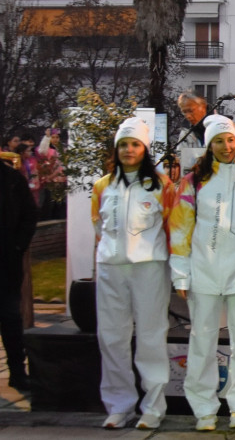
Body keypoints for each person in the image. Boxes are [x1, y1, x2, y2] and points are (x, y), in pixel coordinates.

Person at [169, 115, 235, 430]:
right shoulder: (193, 182)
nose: (226, 146)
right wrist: (181, 274)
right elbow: (180, 230)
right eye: (219, 140)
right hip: (204, 273)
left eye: (231, 139)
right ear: (209, 144)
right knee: (202, 342)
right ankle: (204, 409)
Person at [91, 117, 176, 429]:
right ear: (117, 148)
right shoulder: (102, 186)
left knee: (152, 336)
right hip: (112, 270)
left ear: (145, 149)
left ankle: (153, 406)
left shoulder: (161, 185)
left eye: (135, 144)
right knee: (111, 337)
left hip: (149, 269)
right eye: (124, 145)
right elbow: (99, 228)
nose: (129, 150)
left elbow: (171, 228)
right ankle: (119, 405)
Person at [0, 158, 38, 392]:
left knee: (10, 318)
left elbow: (29, 215)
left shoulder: (12, 180)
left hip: (5, 262)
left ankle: (17, 371)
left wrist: (17, 247)